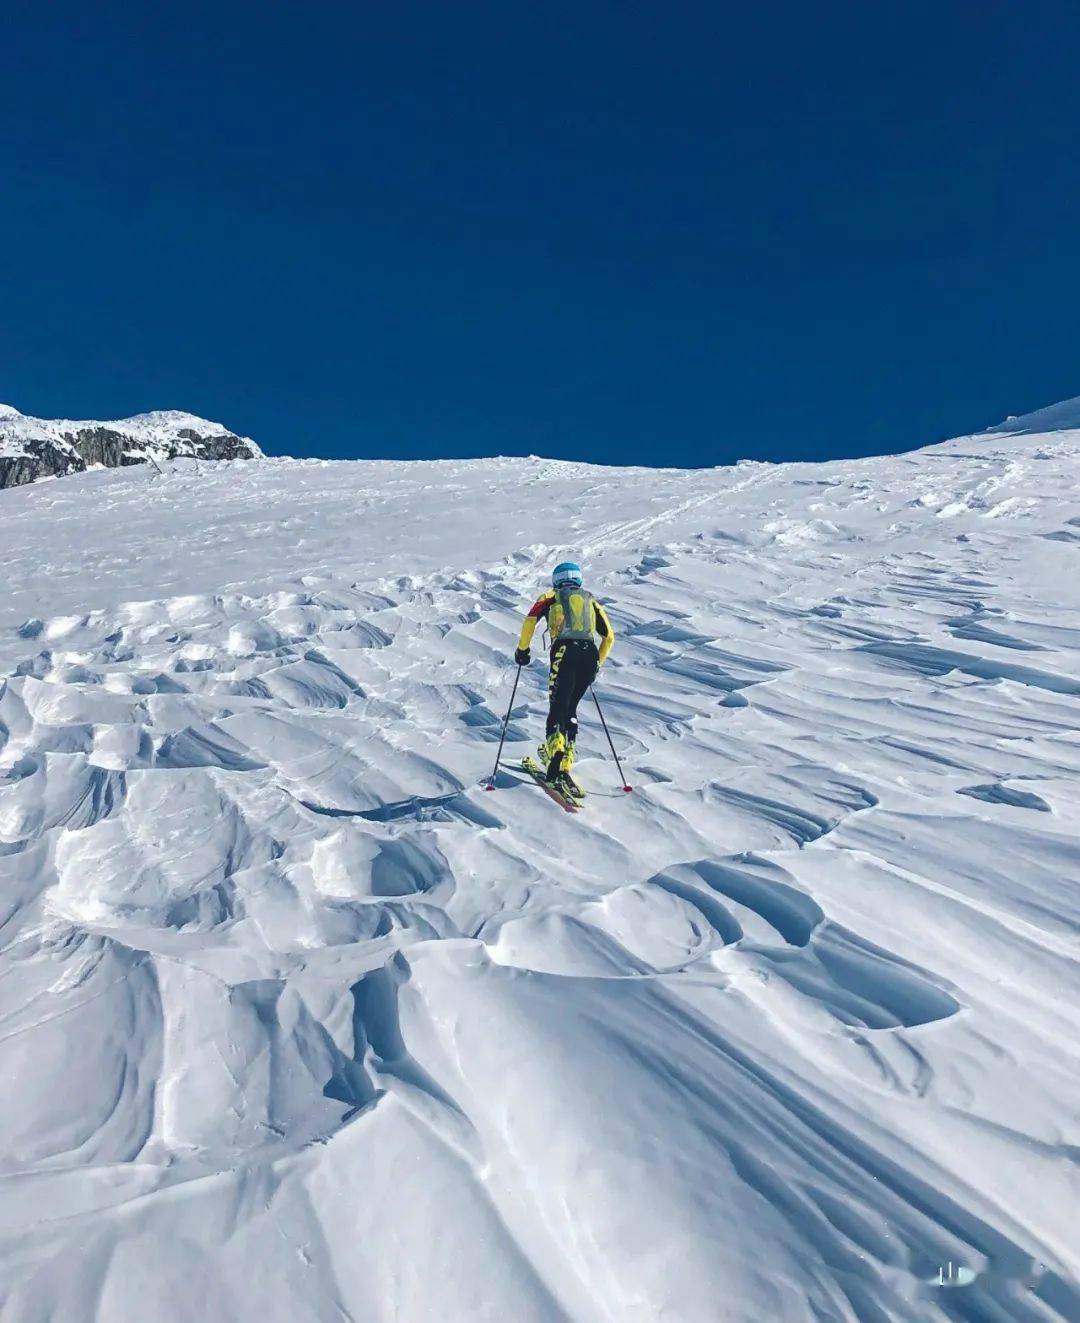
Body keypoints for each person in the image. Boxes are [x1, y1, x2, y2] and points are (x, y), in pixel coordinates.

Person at [514, 560, 615, 789]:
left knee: (557, 706)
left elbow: (530, 621)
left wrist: (523, 649)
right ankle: (567, 759)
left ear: (556, 580)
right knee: (571, 709)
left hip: (564, 652)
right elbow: (609, 637)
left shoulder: (550, 596)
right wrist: (597, 663)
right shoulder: (591, 600)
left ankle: (555, 752)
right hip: (589, 655)